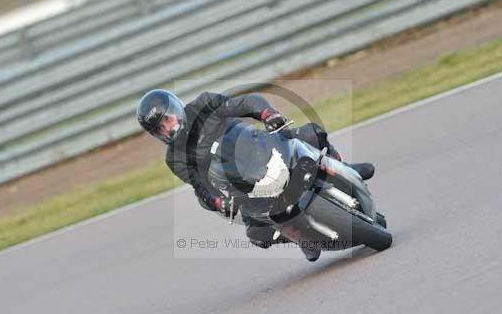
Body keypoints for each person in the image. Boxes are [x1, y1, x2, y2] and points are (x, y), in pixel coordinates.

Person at [136, 89, 374, 259]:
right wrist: (217, 200)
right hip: (239, 184)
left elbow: (244, 104)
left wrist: (267, 114)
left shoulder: (203, 104)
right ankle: (298, 235)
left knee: (312, 134)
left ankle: (346, 168)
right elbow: (198, 184)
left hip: (259, 146)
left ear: (175, 109)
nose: (168, 128)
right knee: (256, 234)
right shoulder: (174, 157)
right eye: (160, 128)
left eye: (167, 120)